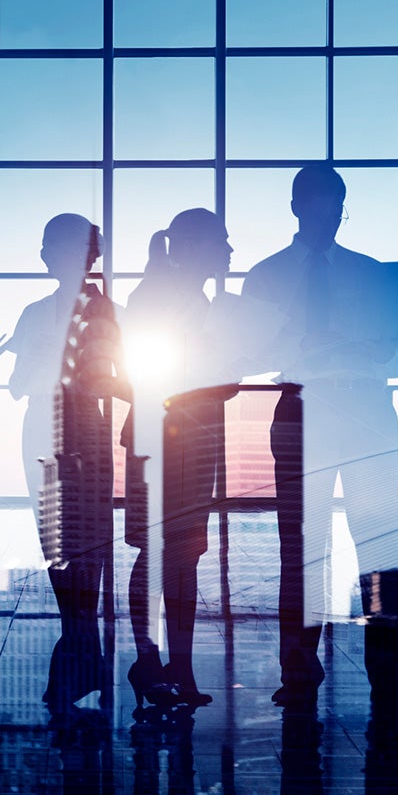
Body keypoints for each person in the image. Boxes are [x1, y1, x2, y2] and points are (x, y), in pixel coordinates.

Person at [241, 165, 398, 709]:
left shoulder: (372, 275)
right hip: (304, 406)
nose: (328, 216)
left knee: (377, 542)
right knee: (300, 545)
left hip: (366, 405)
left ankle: (388, 674)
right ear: (296, 206)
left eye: (336, 206)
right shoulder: (265, 277)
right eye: (318, 205)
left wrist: (378, 349)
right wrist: (304, 341)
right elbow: (249, 354)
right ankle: (298, 669)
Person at [120, 208, 240, 711]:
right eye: (222, 243)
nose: (230, 252)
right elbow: (157, 374)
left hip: (189, 437)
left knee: (180, 552)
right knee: (163, 551)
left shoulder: (188, 299)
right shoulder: (160, 298)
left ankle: (174, 667)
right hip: (168, 438)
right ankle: (153, 663)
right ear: (194, 247)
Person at [6, 213, 116, 715]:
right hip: (44, 427)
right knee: (58, 543)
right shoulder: (34, 313)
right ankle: (79, 654)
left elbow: (107, 376)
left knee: (85, 543)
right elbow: (15, 385)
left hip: (82, 429)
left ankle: (76, 656)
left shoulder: (104, 311)